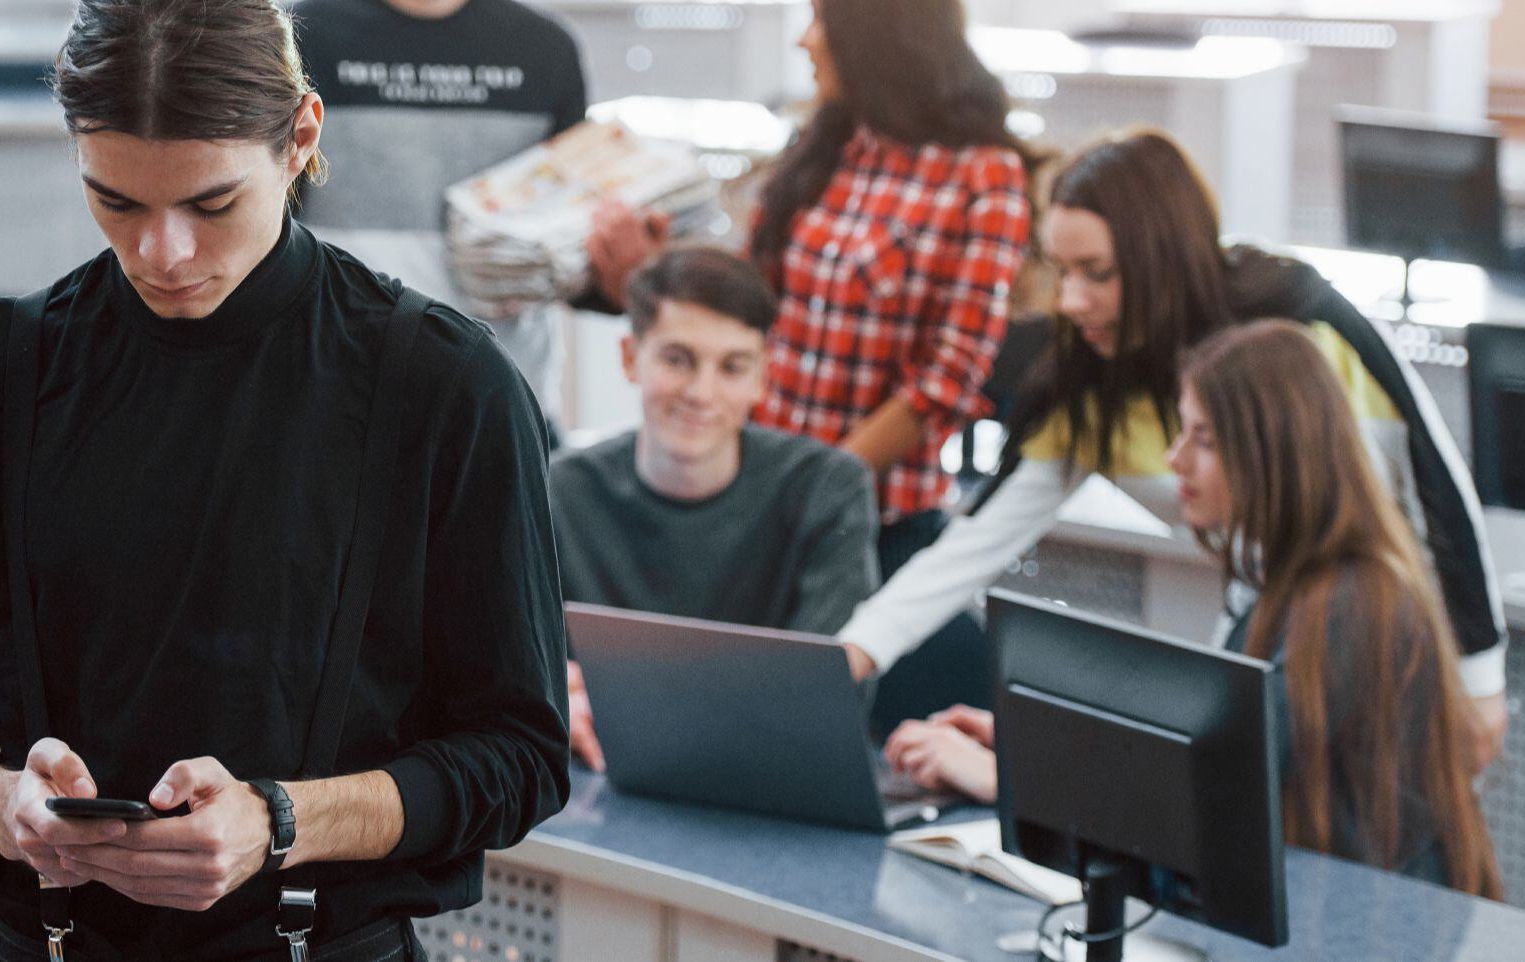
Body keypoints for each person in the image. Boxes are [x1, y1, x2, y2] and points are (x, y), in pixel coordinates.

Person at [0, 1, 569, 958]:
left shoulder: (446, 387)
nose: (164, 254)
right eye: (116, 201)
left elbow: (519, 754)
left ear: (300, 138)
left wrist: (283, 822)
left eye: (211, 203)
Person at [840, 129, 1510, 764]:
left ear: (1158, 257)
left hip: (1392, 645)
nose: (1070, 300)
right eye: (1061, 270)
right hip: (1268, 645)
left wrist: (1479, 679)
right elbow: (971, 545)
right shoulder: (1086, 383)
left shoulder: (1300, 323)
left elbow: (1438, 490)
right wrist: (848, 656)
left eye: (1096, 273)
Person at [888, 321, 1504, 898]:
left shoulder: (1349, 607)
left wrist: (1008, 780)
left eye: (1203, 439)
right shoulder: (1293, 587)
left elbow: (1208, 800)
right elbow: (1204, 756)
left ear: (1274, 453)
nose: (1175, 459)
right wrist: (1033, 742)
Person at [584, 0, 1034, 597]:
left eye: (822, 19)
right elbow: (752, 305)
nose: (805, 42)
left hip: (875, 525)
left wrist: (817, 485)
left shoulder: (983, 176)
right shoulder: (826, 146)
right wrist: (653, 271)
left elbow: (948, 380)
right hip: (753, 498)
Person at [552, 248, 880, 769]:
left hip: (768, 781)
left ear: (761, 378)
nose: (702, 393)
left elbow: (824, 697)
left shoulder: (827, 490)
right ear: (630, 358)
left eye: (732, 366)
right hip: (594, 777)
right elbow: (510, 680)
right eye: (677, 359)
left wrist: (624, 701)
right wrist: (550, 701)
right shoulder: (559, 490)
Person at [290, 0, 589, 417]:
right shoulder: (300, 34)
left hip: (500, 396)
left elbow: (572, 245)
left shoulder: (546, 48)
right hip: (343, 384)